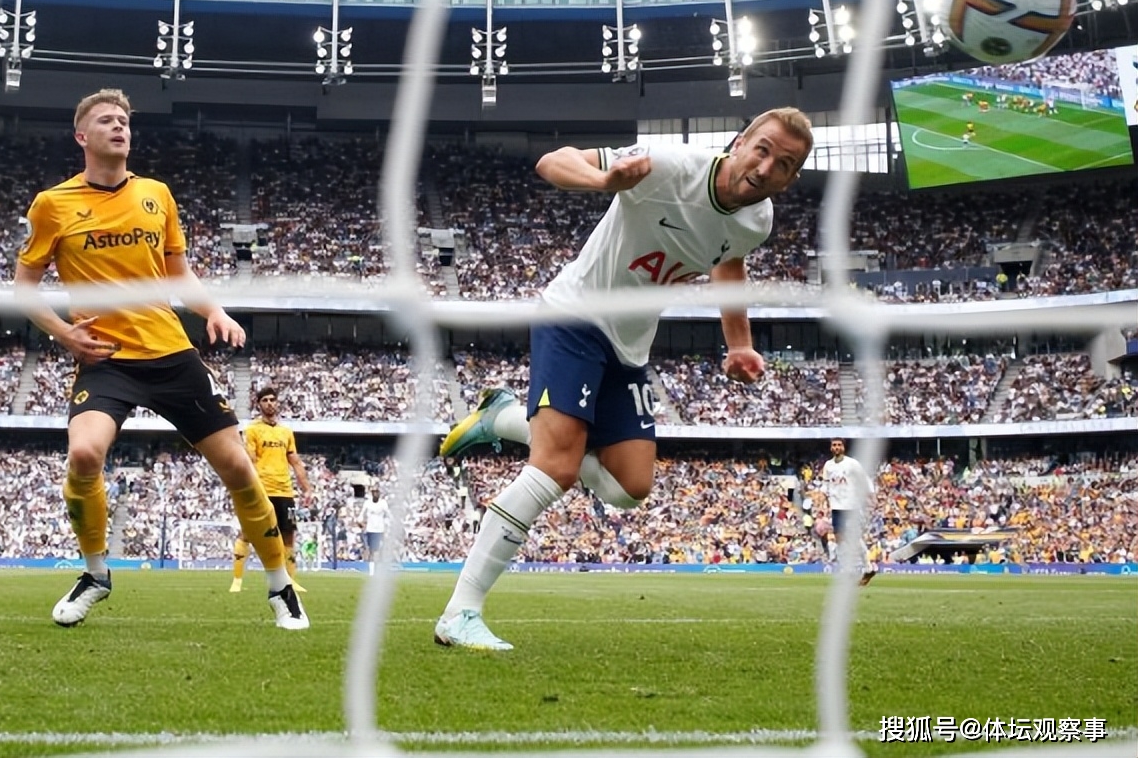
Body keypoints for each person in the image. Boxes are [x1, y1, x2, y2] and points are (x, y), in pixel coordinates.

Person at [433, 107, 813, 650]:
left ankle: (505, 417)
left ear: (790, 179)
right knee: (556, 468)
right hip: (575, 316)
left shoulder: (758, 220)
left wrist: (739, 343)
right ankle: (460, 612)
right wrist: (603, 180)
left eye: (784, 163)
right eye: (762, 147)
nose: (766, 165)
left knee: (629, 487)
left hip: (629, 347)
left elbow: (729, 262)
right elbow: (552, 160)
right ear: (739, 141)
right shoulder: (669, 166)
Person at [14, 88, 307, 630]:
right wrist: (63, 334)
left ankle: (280, 585)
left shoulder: (156, 195)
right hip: (106, 358)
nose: (119, 126)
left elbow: (178, 272)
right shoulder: (52, 204)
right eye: (106, 120)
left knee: (240, 468)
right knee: (83, 456)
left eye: (124, 120)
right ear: (83, 136)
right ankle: (96, 574)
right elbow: (24, 287)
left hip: (172, 354)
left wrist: (214, 310)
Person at [231, 384, 311, 593]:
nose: (269, 404)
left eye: (272, 400)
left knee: (288, 536)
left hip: (285, 491)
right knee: (248, 532)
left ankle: (290, 581)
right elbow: (250, 459)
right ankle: (237, 580)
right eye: (265, 400)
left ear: (277, 403)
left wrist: (307, 488)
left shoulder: (286, 432)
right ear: (258, 405)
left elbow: (295, 462)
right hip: (263, 489)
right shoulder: (253, 430)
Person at [818, 437, 877, 586]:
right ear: (831, 448)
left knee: (854, 538)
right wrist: (821, 496)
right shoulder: (828, 465)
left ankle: (867, 567)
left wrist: (871, 495)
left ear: (843, 447)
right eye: (834, 445)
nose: (836, 447)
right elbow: (826, 484)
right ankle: (848, 570)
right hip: (836, 507)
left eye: (839, 445)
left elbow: (864, 479)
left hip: (851, 506)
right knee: (839, 540)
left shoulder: (852, 464)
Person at [360, 484, 389, 575]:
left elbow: (388, 515)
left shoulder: (383, 503)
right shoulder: (367, 503)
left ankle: (379, 570)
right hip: (371, 529)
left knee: (379, 551)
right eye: (374, 492)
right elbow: (361, 515)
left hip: (380, 530)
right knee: (372, 551)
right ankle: (372, 572)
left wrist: (388, 526)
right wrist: (361, 523)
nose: (376, 494)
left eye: (377, 492)